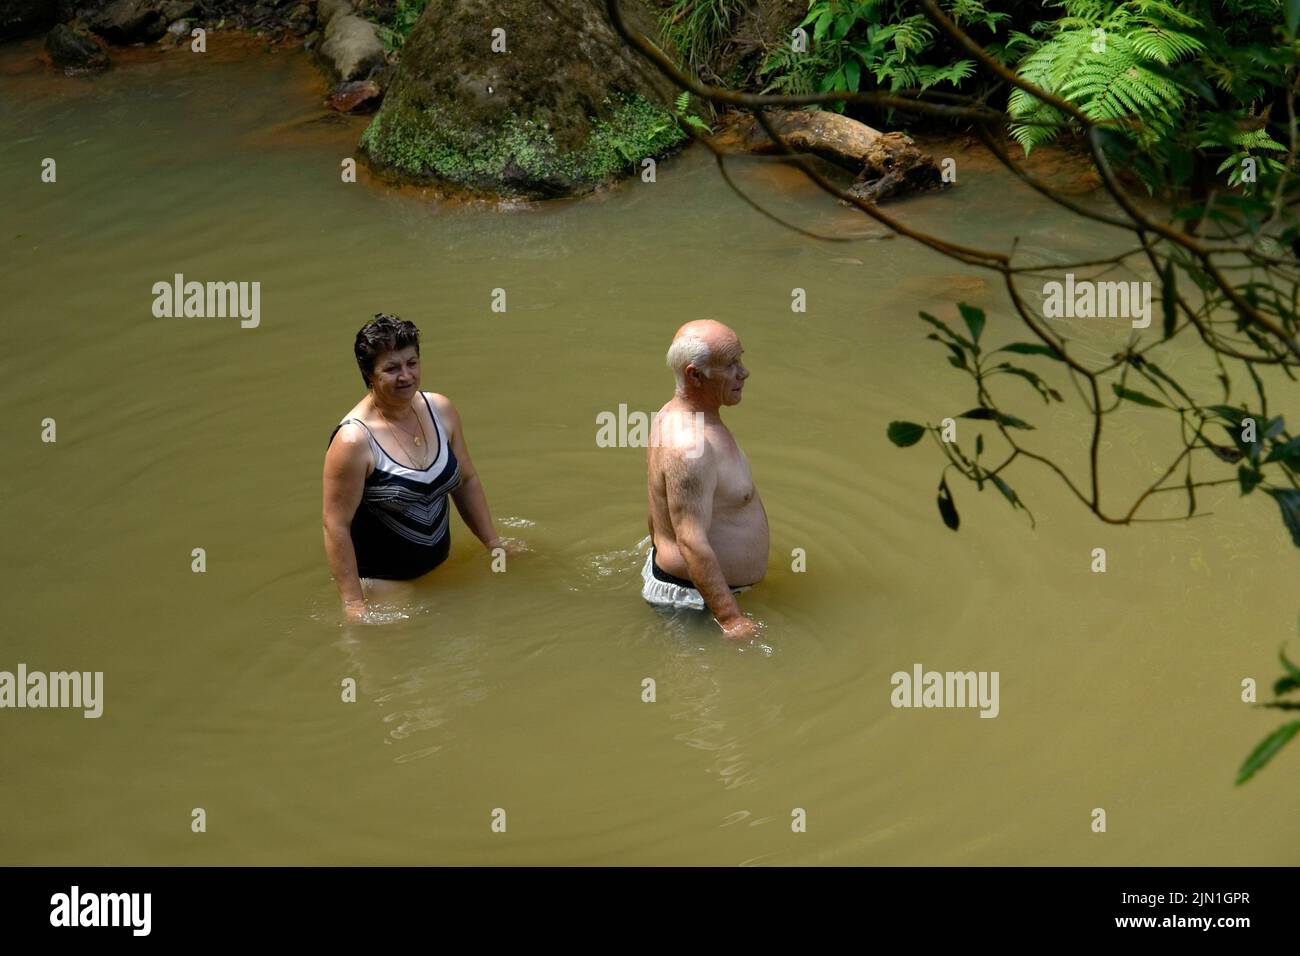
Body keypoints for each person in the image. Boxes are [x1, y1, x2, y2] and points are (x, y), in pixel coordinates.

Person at [323, 314, 514, 622]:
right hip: (384, 584)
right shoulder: (353, 440)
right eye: (392, 368)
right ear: (368, 374)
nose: (406, 376)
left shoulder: (441, 410)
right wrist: (354, 604)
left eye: (412, 363)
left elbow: (465, 480)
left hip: (442, 571)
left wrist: (494, 544)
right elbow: (336, 524)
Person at [643, 320, 768, 639]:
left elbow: (657, 508)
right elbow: (691, 541)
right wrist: (731, 620)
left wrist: (659, 543)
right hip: (695, 605)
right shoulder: (690, 447)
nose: (744, 372)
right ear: (694, 375)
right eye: (731, 365)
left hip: (699, 592)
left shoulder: (669, 414)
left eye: (740, 359)